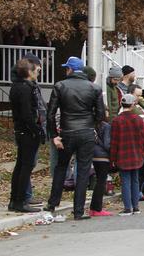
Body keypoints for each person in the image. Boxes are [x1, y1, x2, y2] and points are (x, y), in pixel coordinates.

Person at [45, 56, 105, 219]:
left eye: (66, 68)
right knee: (83, 170)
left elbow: (50, 114)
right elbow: (101, 114)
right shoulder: (94, 88)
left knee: (61, 167)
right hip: (86, 132)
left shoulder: (60, 86)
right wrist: (92, 126)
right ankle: (78, 210)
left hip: (67, 132)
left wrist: (54, 136)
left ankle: (52, 203)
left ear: (69, 69)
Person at [8, 57, 43, 212]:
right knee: (26, 166)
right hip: (27, 132)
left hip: (21, 130)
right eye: (37, 70)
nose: (38, 73)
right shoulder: (25, 88)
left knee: (20, 165)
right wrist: (37, 130)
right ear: (29, 71)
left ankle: (14, 199)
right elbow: (27, 114)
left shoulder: (17, 86)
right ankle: (20, 201)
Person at [110, 94, 144, 215]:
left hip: (122, 154)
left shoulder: (116, 120)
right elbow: (142, 139)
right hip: (136, 153)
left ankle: (127, 208)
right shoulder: (138, 120)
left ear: (121, 104)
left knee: (125, 181)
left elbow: (114, 141)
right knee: (135, 180)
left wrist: (113, 158)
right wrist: (142, 153)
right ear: (132, 105)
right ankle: (136, 207)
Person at [89, 116, 113, 217]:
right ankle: (97, 208)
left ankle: (93, 208)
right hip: (103, 156)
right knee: (101, 182)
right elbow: (107, 144)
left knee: (99, 181)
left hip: (93, 155)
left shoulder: (91, 125)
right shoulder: (106, 126)